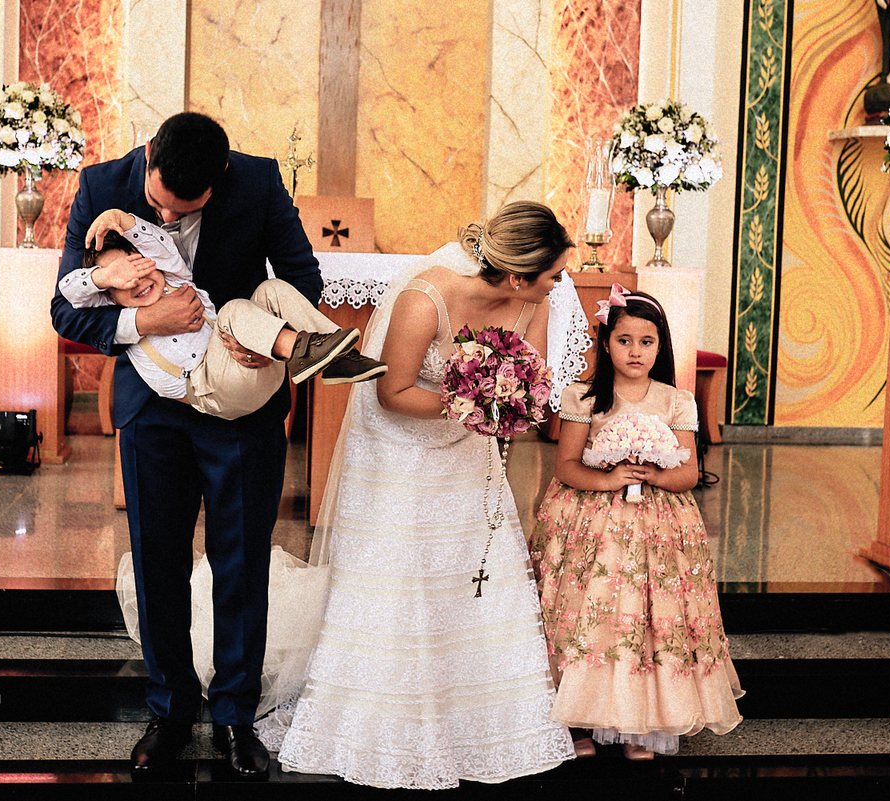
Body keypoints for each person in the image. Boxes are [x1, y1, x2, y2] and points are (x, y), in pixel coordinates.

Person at [51, 112, 365, 780]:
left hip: (240, 400)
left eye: (182, 209)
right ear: (147, 157)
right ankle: (169, 711)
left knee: (241, 560)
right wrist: (143, 319)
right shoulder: (102, 186)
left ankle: (233, 717)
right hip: (152, 408)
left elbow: (302, 276)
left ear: (219, 180)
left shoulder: (257, 180)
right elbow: (66, 308)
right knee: (159, 561)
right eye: (158, 200)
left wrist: (252, 335)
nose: (164, 216)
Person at [258, 201, 591, 789]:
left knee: (469, 567)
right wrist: (472, 403)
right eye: (554, 275)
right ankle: (385, 718)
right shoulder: (424, 297)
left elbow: (531, 373)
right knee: (404, 571)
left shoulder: (536, 299)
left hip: (468, 446)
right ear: (517, 275)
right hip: (400, 448)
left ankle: (483, 715)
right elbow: (393, 393)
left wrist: (509, 402)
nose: (561, 284)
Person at [526, 284, 743, 761]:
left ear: (660, 346)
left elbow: (689, 472)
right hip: (592, 522)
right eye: (624, 340)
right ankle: (578, 719)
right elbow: (566, 466)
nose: (635, 351)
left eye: (647, 342)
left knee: (645, 615)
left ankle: (639, 723)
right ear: (606, 343)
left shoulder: (675, 401)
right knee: (591, 610)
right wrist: (610, 478)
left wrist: (657, 472)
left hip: (658, 524)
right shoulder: (584, 397)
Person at [59, 213, 385, 420]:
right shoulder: (123, 318)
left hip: (257, 366)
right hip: (212, 391)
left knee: (271, 289)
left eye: (137, 267)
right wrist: (104, 276)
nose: (137, 280)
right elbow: (70, 290)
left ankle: (338, 358)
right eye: (124, 281)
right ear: (108, 296)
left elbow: (155, 241)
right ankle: (301, 351)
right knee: (231, 311)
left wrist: (119, 218)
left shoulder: (175, 276)